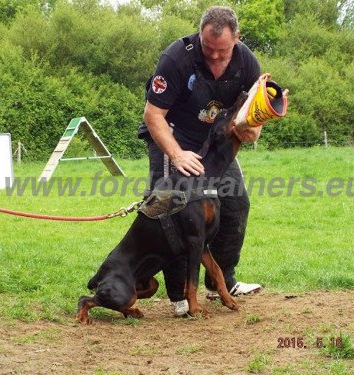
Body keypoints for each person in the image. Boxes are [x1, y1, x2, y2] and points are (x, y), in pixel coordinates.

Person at [140, 6, 263, 316]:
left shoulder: (247, 63)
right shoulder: (177, 58)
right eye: (209, 49)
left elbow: (251, 113)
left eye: (222, 51)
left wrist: (253, 129)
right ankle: (179, 295)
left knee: (236, 204)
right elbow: (153, 115)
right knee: (172, 210)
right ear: (200, 35)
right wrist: (177, 154)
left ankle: (223, 281)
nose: (215, 57)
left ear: (237, 38)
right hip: (171, 136)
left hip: (211, 141)